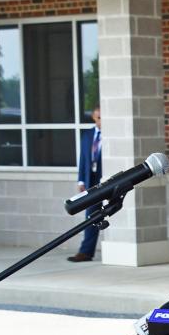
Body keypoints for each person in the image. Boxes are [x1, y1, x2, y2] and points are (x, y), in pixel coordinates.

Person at [68, 106, 102, 263]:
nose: (102, 120)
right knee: (91, 216)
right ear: (94, 118)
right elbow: (83, 158)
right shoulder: (88, 135)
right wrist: (81, 180)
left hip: (109, 179)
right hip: (91, 181)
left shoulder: (113, 134)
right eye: (99, 117)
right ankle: (86, 252)